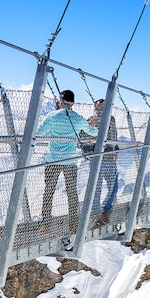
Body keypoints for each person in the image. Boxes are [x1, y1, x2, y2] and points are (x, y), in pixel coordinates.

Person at [36, 89, 97, 233]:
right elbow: (93, 132)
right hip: (70, 160)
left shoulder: (52, 116)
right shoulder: (78, 118)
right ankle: (73, 225)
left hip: (53, 160)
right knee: (72, 192)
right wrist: (94, 125)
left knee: (48, 192)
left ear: (60, 101)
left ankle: (46, 224)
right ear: (73, 103)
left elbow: (38, 133)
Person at [88, 98, 119, 226]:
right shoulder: (90, 120)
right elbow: (84, 137)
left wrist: (117, 149)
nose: (99, 110)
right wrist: (90, 126)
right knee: (97, 188)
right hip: (98, 159)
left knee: (114, 186)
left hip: (111, 158)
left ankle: (104, 210)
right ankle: (95, 216)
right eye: (97, 108)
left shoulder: (111, 119)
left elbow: (114, 135)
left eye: (102, 108)